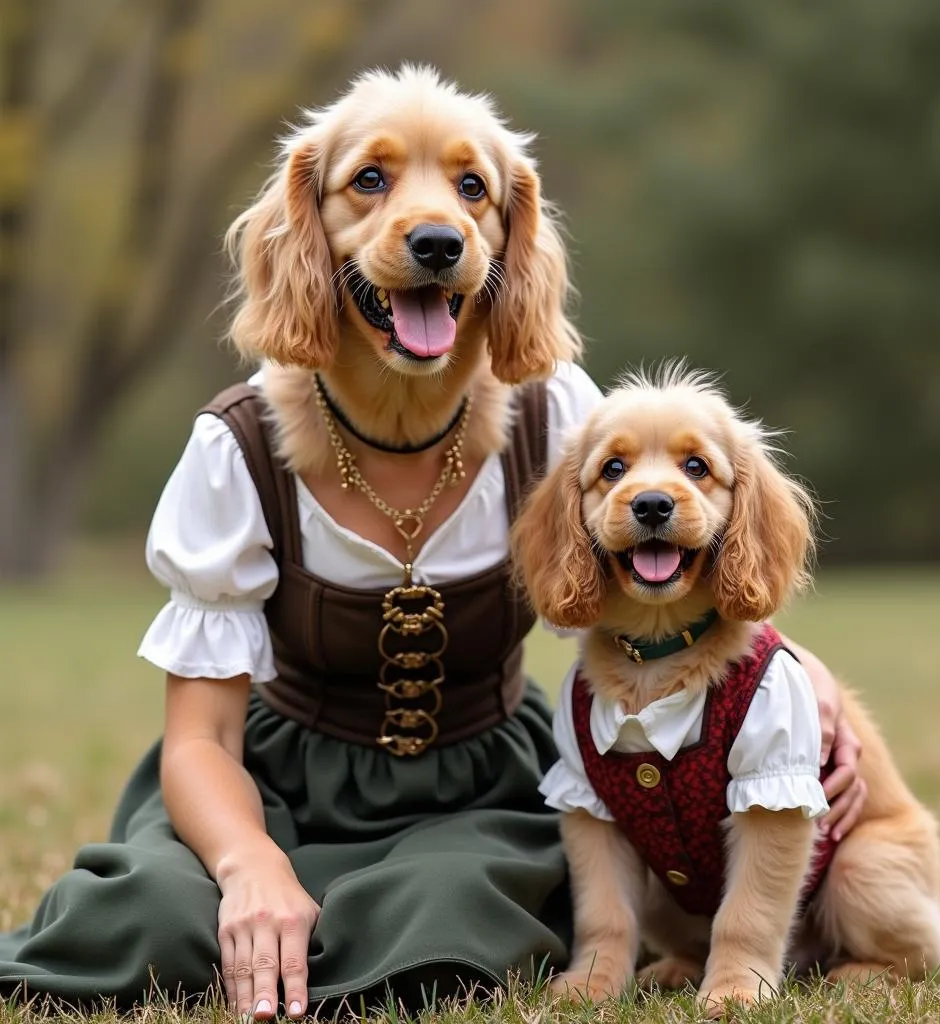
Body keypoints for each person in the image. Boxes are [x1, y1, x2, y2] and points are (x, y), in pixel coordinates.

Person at [0, 66, 866, 1017]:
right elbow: (201, 737)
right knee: (157, 918)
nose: (434, 227)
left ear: (507, 232)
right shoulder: (235, 447)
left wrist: (802, 681)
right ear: (310, 221)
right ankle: (273, 919)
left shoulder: (559, 420)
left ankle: (328, 944)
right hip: (270, 789)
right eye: (370, 181)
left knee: (459, 916)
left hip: (481, 791)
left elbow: (685, 537)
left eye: (469, 191)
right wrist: (249, 869)